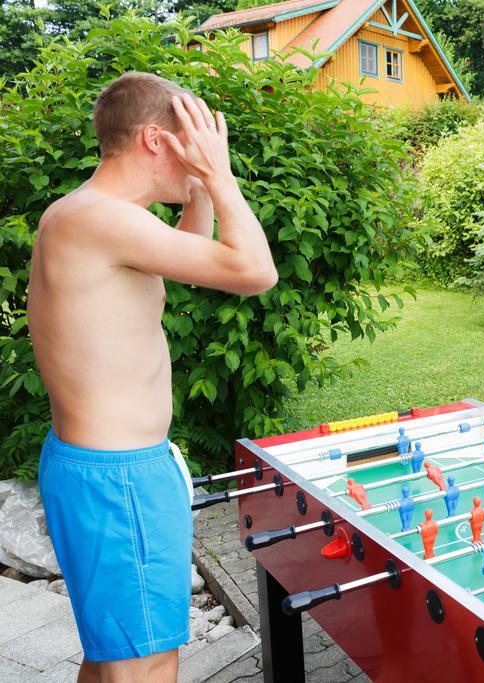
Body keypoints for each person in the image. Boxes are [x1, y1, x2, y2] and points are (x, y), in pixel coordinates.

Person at [27, 72, 278, 681]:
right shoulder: (97, 218)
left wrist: (195, 195)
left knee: (116, 659)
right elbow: (254, 270)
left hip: (112, 472)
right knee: (146, 665)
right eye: (192, 141)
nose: (201, 154)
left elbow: (188, 265)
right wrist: (219, 178)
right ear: (155, 141)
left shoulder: (94, 217)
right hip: (119, 482)